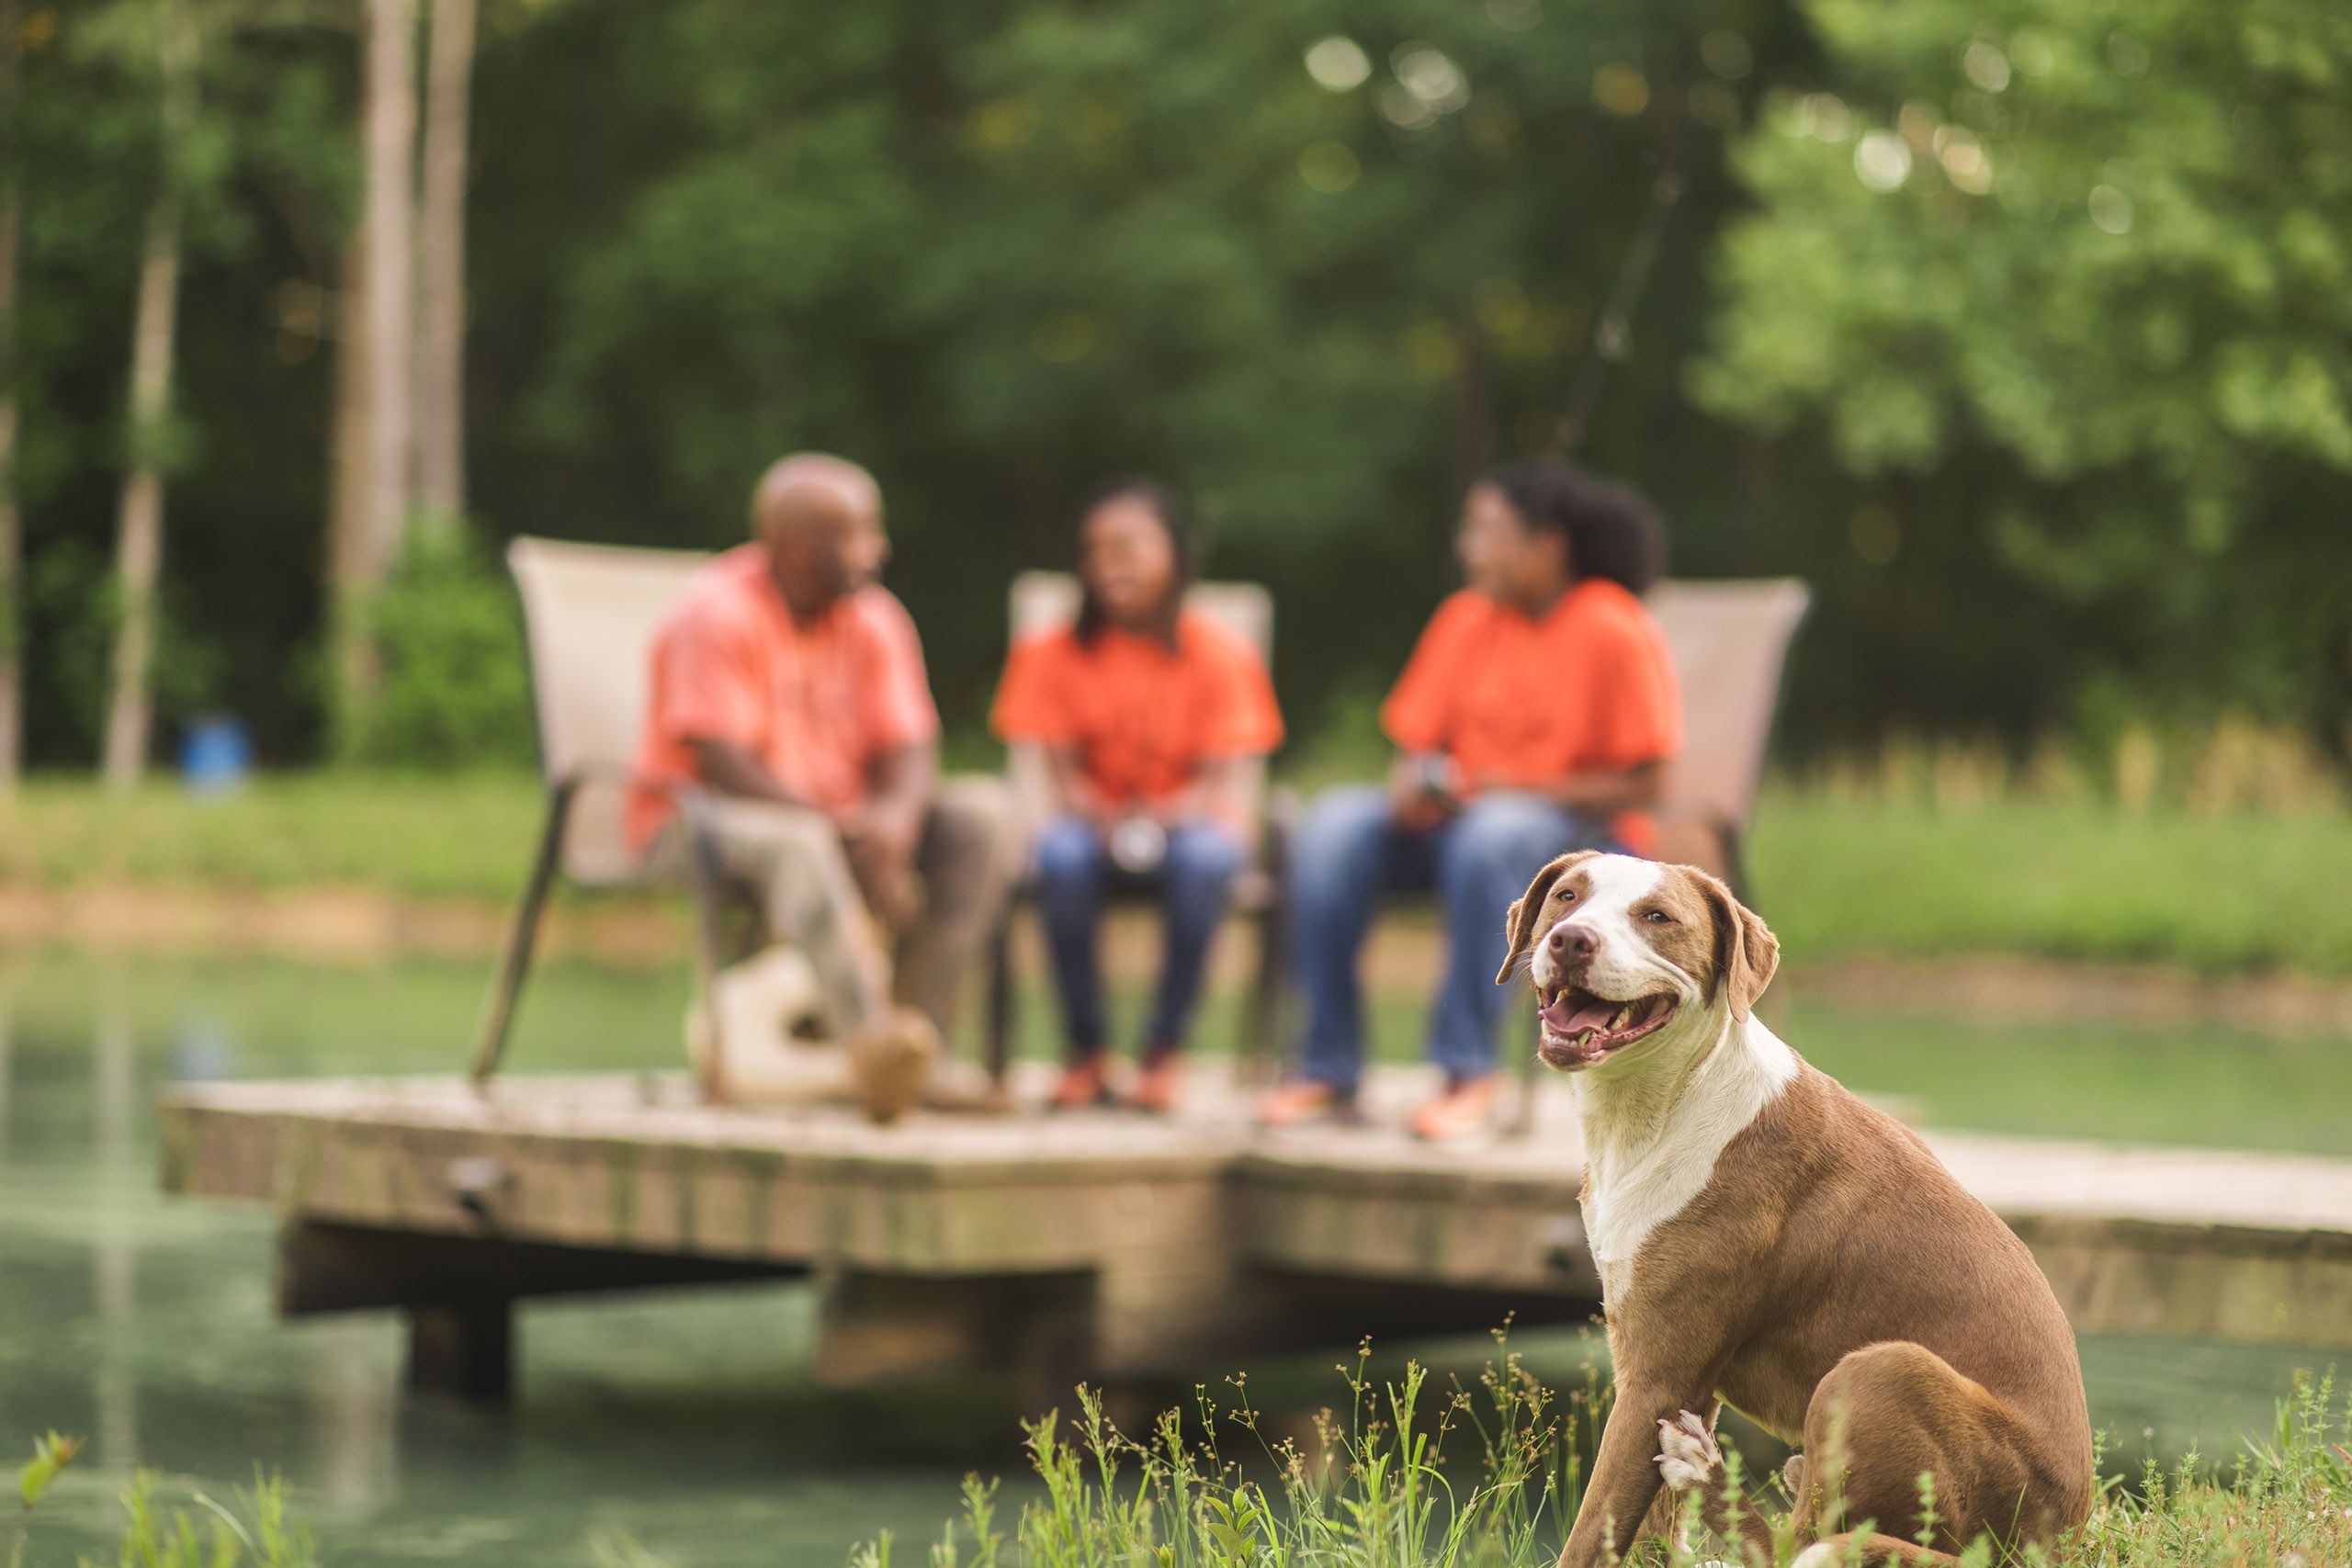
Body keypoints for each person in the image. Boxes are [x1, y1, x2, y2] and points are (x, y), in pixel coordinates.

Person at [1257, 457, 1681, 1141]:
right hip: (1457, 829)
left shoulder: (1611, 625)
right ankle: (1326, 1067)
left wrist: (1511, 788)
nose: (1469, 549)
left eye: (1487, 533)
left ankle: (1466, 1070)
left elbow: (1649, 781)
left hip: (1580, 848)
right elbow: (1418, 746)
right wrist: (1412, 786)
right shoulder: (1465, 619)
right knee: (1333, 823)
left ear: (1547, 546)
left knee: (1495, 830)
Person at [628, 453, 1019, 1070]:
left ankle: (923, 1047)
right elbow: (721, 762)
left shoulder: (874, 618)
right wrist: (842, 829)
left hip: (841, 819)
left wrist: (892, 822)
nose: (879, 547)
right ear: (803, 548)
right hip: (696, 819)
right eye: (861, 533)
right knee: (800, 839)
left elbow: (911, 744)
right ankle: (875, 1046)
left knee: (983, 816)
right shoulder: (716, 613)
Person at [992, 479, 1283, 1112]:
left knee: (1208, 859)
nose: (1109, 563)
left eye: (1127, 547)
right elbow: (1060, 772)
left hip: (1188, 825)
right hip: (1091, 824)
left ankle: (1163, 1049)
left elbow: (1221, 780)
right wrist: (1102, 815)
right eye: (1095, 550)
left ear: (1174, 554)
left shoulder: (1218, 655)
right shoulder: (1051, 654)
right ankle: (1086, 1051)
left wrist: (1160, 817)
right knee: (1060, 857)